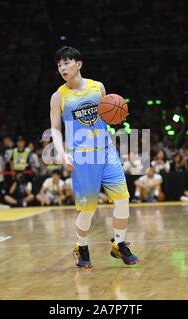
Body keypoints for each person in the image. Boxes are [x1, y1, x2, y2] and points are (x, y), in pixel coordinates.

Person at [49, 46, 139, 268]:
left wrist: (116, 116)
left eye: (67, 63)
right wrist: (62, 153)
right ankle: (81, 247)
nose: (62, 68)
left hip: (106, 151)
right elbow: (55, 129)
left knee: (122, 200)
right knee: (87, 210)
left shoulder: (98, 87)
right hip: (82, 157)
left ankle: (119, 245)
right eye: (59, 65)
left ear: (79, 65)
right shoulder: (58, 96)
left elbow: (107, 115)